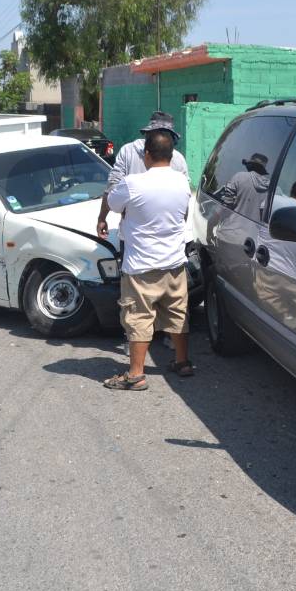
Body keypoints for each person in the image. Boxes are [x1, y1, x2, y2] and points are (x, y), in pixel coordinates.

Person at [102, 130, 193, 390]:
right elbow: (183, 215)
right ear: (171, 155)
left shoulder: (133, 183)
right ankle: (182, 362)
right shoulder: (182, 182)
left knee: (138, 317)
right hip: (174, 262)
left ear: (147, 155)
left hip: (141, 265)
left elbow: (113, 203)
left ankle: (136, 374)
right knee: (177, 312)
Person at [96, 111, 189, 239]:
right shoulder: (129, 152)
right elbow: (113, 187)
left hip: (138, 239)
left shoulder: (178, 159)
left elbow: (112, 190)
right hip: (160, 240)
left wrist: (102, 218)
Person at [213, 152, 271, 220]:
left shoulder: (239, 177)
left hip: (232, 225)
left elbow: (225, 206)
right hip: (254, 227)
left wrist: (212, 221)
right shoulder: (270, 188)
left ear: (250, 165)